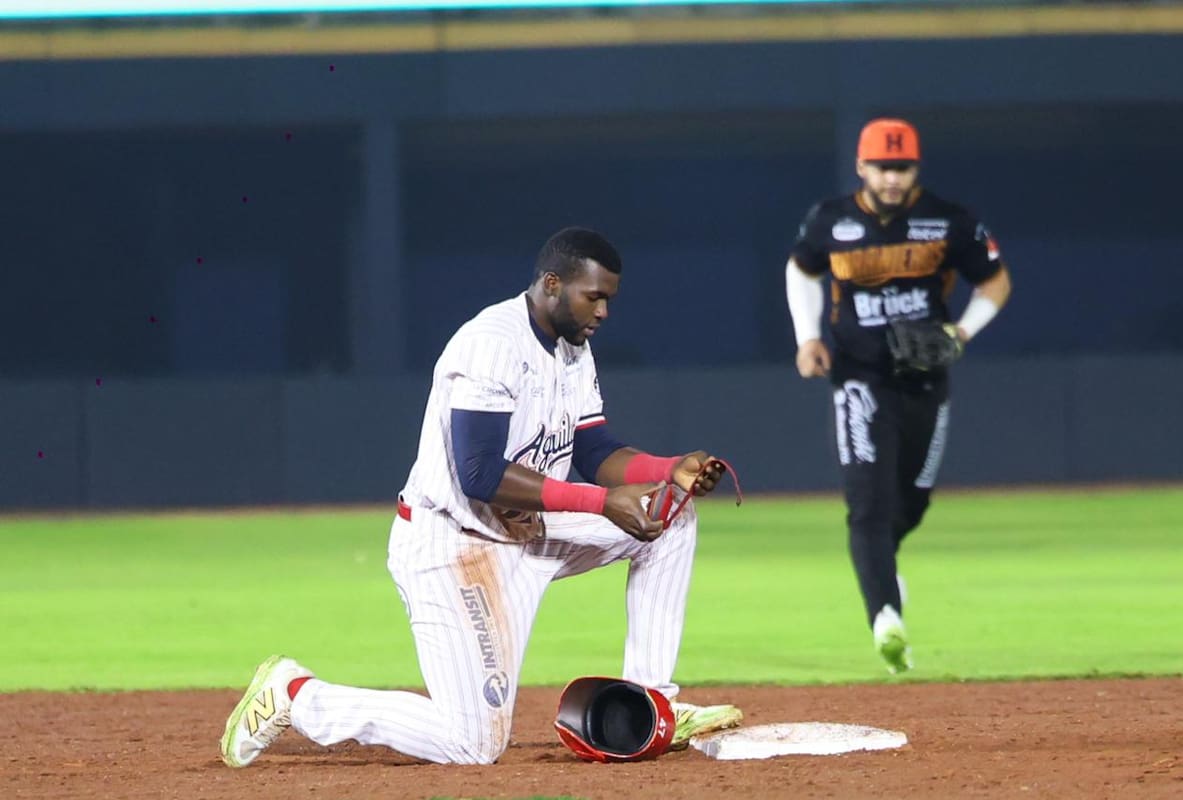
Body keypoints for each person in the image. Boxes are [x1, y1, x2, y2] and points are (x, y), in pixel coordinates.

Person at [221, 227, 743, 767]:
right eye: (595, 295)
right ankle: (297, 695)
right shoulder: (493, 343)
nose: (604, 310)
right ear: (551, 283)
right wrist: (600, 503)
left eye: (609, 297)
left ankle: (650, 704)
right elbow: (480, 473)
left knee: (670, 519)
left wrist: (667, 469)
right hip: (454, 546)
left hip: (527, 532)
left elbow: (592, 448)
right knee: (471, 744)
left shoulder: (572, 350)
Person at [785, 118, 1012, 673]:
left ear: (916, 169)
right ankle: (885, 616)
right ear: (862, 167)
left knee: (912, 502)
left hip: (925, 379)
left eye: (902, 167)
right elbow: (801, 270)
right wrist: (808, 336)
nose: (892, 178)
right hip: (859, 375)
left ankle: (883, 572)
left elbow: (996, 281)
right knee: (867, 504)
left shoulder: (947, 221)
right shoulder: (830, 221)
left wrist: (961, 332)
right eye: (883, 167)